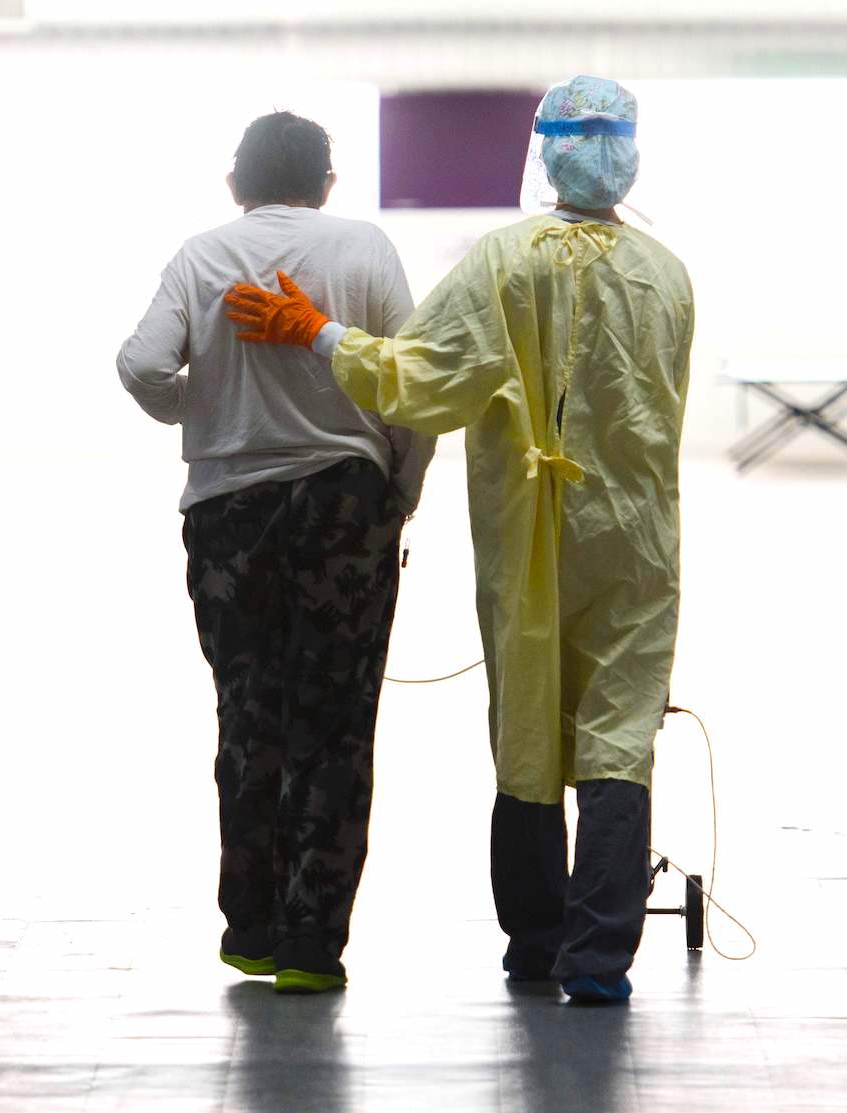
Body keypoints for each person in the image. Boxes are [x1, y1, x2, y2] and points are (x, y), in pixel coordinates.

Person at [224, 76, 693, 1004]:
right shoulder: (667, 274)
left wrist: (317, 334)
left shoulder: (505, 264)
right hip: (636, 539)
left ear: (545, 152)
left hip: (528, 535)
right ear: (629, 154)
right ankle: (598, 958)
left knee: (526, 727)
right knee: (620, 730)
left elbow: (421, 379)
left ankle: (535, 940)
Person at [118, 110, 435, 995]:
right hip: (345, 505)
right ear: (327, 184)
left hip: (227, 514)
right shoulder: (364, 249)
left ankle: (250, 929)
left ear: (235, 185)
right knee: (334, 727)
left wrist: (206, 409)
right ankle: (311, 943)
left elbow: (141, 365)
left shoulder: (201, 256)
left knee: (247, 715)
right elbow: (411, 386)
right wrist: (397, 494)